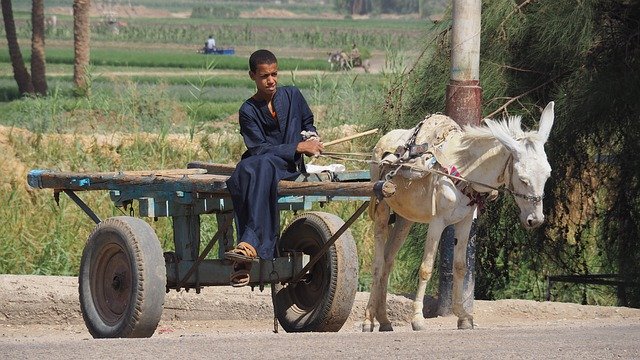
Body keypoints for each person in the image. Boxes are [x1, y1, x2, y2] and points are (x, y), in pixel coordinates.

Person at [224, 49, 324, 287]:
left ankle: (247, 247)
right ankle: (249, 246)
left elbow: (308, 122)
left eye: (274, 74)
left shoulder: (293, 96)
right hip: (264, 164)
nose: (271, 81)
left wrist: (311, 138)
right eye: (264, 76)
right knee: (252, 167)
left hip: (288, 166)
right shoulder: (247, 110)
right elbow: (258, 148)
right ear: (252, 76)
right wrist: (298, 146)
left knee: (250, 169)